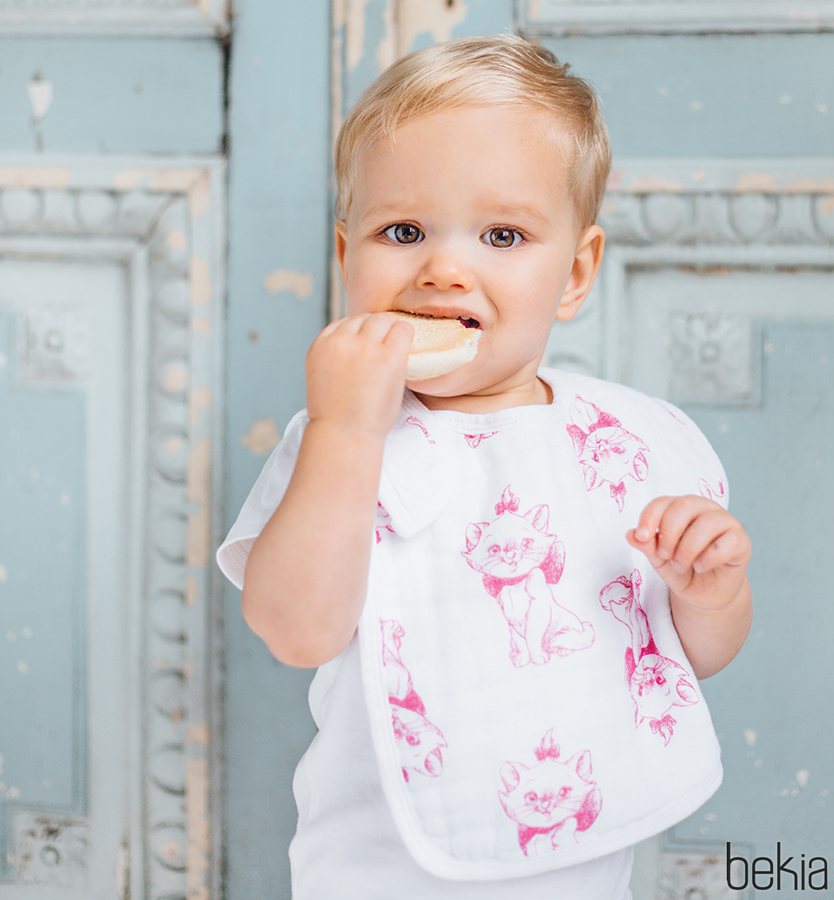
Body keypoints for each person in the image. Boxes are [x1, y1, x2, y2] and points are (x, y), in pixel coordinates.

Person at [217, 33, 753, 900]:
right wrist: (346, 432)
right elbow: (295, 632)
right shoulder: (342, 439)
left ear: (574, 273)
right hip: (382, 870)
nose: (445, 269)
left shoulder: (629, 441)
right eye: (404, 231)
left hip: (583, 860)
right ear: (349, 260)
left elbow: (690, 656)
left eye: (503, 234)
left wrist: (711, 592)